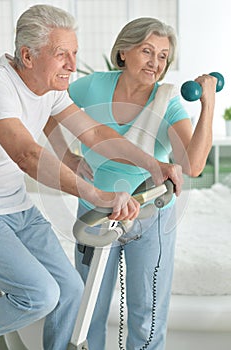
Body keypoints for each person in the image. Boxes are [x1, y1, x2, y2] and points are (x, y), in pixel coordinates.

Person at [0, 6, 184, 350]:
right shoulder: (1, 86)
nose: (71, 64)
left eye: (75, 54)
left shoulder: (50, 86)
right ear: (27, 55)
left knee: (71, 292)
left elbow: (96, 134)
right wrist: (96, 194)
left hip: (17, 208)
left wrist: (154, 165)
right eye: (61, 55)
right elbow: (27, 155)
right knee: (41, 295)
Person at [69, 17, 217, 350]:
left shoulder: (170, 102)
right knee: (87, 308)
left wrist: (208, 104)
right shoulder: (92, 86)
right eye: (147, 51)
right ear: (123, 52)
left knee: (145, 315)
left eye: (163, 56)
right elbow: (49, 104)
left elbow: (193, 165)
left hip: (150, 215)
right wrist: (67, 157)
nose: (155, 62)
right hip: (96, 209)